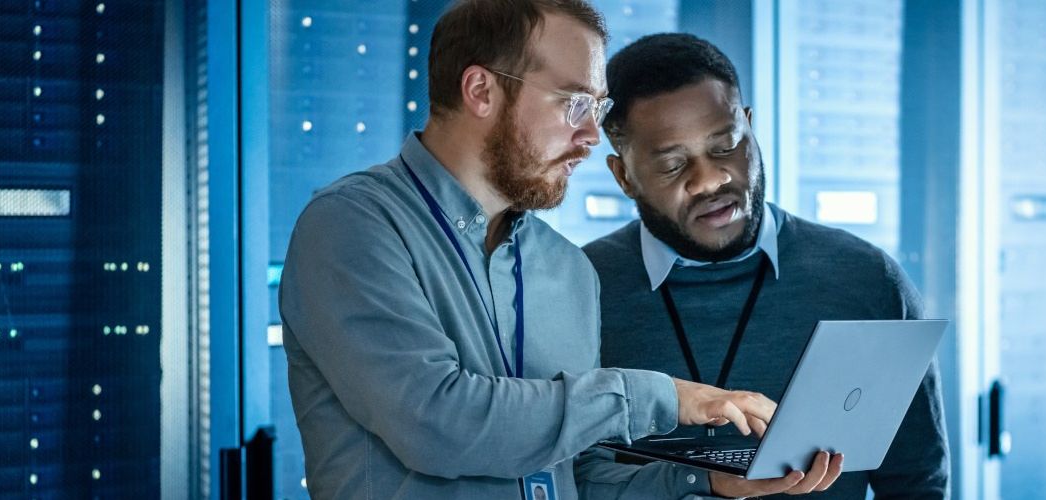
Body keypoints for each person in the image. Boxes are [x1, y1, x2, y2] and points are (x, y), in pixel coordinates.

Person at [278, 2, 777, 498]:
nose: (589, 137)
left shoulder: (569, 269)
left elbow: (578, 476)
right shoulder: (352, 225)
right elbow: (438, 425)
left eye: (597, 109)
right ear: (481, 90)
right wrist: (661, 397)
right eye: (575, 103)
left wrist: (704, 481)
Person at [578, 33, 951, 499]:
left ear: (750, 126)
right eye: (673, 165)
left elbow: (918, 482)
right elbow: (565, 477)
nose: (711, 180)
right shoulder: (579, 287)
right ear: (624, 177)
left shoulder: (866, 279)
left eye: (725, 146)